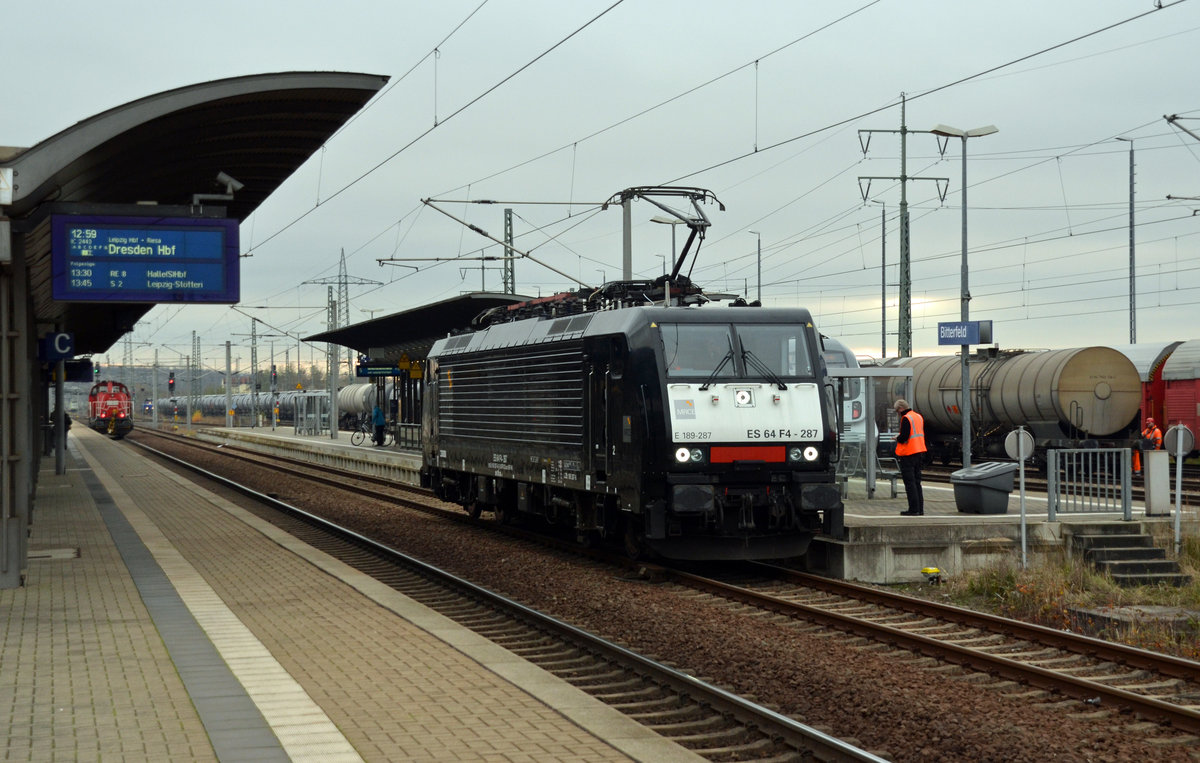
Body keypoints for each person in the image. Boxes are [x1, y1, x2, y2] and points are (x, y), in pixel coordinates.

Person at [893, 398, 926, 516]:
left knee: (909, 482)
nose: (898, 414)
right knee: (917, 482)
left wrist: (897, 438)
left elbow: (904, 437)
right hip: (919, 451)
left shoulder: (906, 418)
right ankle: (920, 509)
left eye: (897, 411)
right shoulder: (918, 416)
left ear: (901, 409)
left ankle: (913, 509)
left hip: (908, 453)